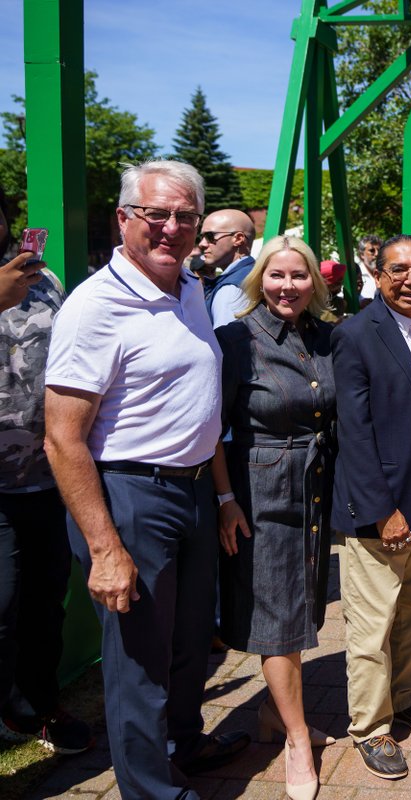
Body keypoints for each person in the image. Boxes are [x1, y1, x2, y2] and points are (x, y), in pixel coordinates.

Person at [44, 161, 250, 800]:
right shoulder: (95, 307)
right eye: (156, 214)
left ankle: (183, 743)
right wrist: (105, 549)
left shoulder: (186, 287)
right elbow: (63, 437)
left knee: (191, 641)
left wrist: (219, 496)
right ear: (124, 219)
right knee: (139, 662)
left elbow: (200, 406)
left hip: (189, 489)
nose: (170, 228)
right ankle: (153, 791)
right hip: (130, 496)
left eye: (185, 217)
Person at [210, 236, 337, 800]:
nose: (288, 286)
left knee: (303, 605)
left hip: (314, 485)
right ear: (259, 278)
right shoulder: (235, 340)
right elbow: (208, 429)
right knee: (279, 616)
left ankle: (270, 712)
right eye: (278, 276)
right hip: (261, 489)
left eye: (299, 276)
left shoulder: (323, 336)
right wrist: (224, 501)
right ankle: (297, 738)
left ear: (315, 283)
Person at [333, 234, 411, 780]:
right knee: (372, 617)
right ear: (378, 275)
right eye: (398, 270)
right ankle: (370, 726)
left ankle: (409, 695)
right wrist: (381, 509)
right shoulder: (357, 334)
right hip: (382, 498)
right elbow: (354, 433)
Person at [0, 209, 93, 754]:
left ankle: (38, 704)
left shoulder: (45, 280)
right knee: (3, 605)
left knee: (43, 601)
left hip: (47, 477)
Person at [199, 208, 257, 326]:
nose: (202, 244)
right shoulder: (254, 273)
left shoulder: (231, 289)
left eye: (210, 236)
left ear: (239, 239)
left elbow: (225, 343)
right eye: (202, 237)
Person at [355, 234, 382, 304]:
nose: (377, 254)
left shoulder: (386, 273)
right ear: (362, 254)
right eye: (372, 250)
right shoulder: (356, 274)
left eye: (379, 250)